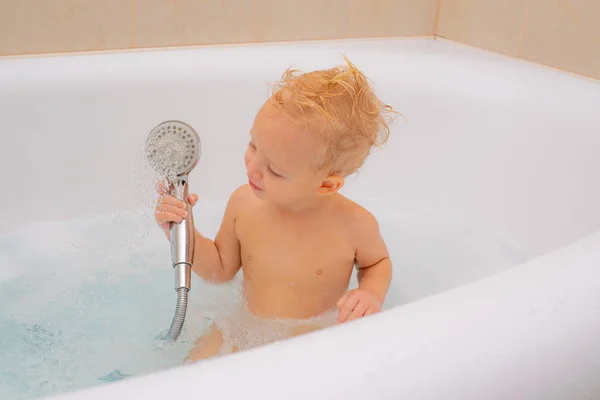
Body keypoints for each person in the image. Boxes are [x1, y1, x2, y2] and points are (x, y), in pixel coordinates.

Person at [155, 57, 397, 362]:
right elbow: (219, 270)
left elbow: (377, 263)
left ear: (326, 185)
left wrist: (371, 293)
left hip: (314, 337)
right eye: (254, 145)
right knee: (190, 374)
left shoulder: (354, 224)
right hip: (243, 327)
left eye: (275, 170)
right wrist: (181, 230)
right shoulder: (244, 203)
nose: (252, 167)